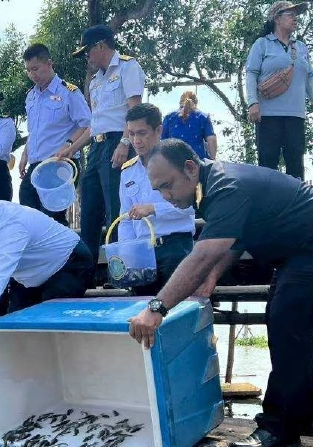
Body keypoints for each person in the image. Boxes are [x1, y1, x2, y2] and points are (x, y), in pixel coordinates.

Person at [126, 139, 313, 447]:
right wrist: (210, 279)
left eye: (168, 186)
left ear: (190, 168)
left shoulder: (225, 187)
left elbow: (203, 254)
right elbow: (233, 241)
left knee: (285, 319)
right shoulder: (208, 187)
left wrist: (156, 308)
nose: (166, 196)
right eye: (158, 191)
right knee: (287, 322)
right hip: (302, 251)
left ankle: (278, 426)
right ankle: (304, 415)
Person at [0, 181, 94, 333]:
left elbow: (2, 265)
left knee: (50, 328)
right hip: (32, 275)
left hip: (68, 262)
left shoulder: (11, 222)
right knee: (15, 327)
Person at [71, 24, 145, 270]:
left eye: (87, 52)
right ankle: (86, 271)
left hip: (118, 142)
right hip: (97, 147)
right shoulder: (94, 82)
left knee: (116, 208)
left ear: (100, 45)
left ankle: (121, 271)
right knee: (89, 209)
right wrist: (71, 148)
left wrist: (126, 142)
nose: (86, 58)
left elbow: (134, 110)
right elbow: (93, 125)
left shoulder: (128, 66)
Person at [244, 1, 313, 181]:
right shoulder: (262, 44)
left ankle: (296, 207)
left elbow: (309, 77)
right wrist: (253, 103)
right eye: (290, 15)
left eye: (296, 15)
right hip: (268, 116)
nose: (295, 18)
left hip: (295, 116)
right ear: (277, 18)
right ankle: (268, 207)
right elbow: (251, 74)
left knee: (296, 165)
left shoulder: (301, 47)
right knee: (268, 165)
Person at [119, 104, 195, 295]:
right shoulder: (127, 171)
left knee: (178, 312)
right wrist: (127, 254)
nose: (136, 140)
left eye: (142, 133)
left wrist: (153, 208)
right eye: (131, 134)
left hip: (175, 247)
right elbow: (125, 218)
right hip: (142, 253)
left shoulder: (178, 161)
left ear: (158, 130)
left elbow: (191, 207)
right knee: (141, 315)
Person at [19, 43, 92, 225]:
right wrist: (24, 154)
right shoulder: (31, 97)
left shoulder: (69, 92)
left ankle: (69, 254)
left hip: (58, 163)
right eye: (28, 70)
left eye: (35, 69)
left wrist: (69, 145)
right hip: (35, 165)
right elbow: (34, 131)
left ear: (49, 64)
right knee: (28, 215)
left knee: (52, 220)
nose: (32, 75)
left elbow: (88, 125)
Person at [160, 91, 217, 159]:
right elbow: (211, 139)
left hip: (174, 162)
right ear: (196, 103)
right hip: (197, 162)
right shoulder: (203, 117)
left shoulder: (169, 117)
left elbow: (163, 142)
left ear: (180, 102)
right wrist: (213, 159)